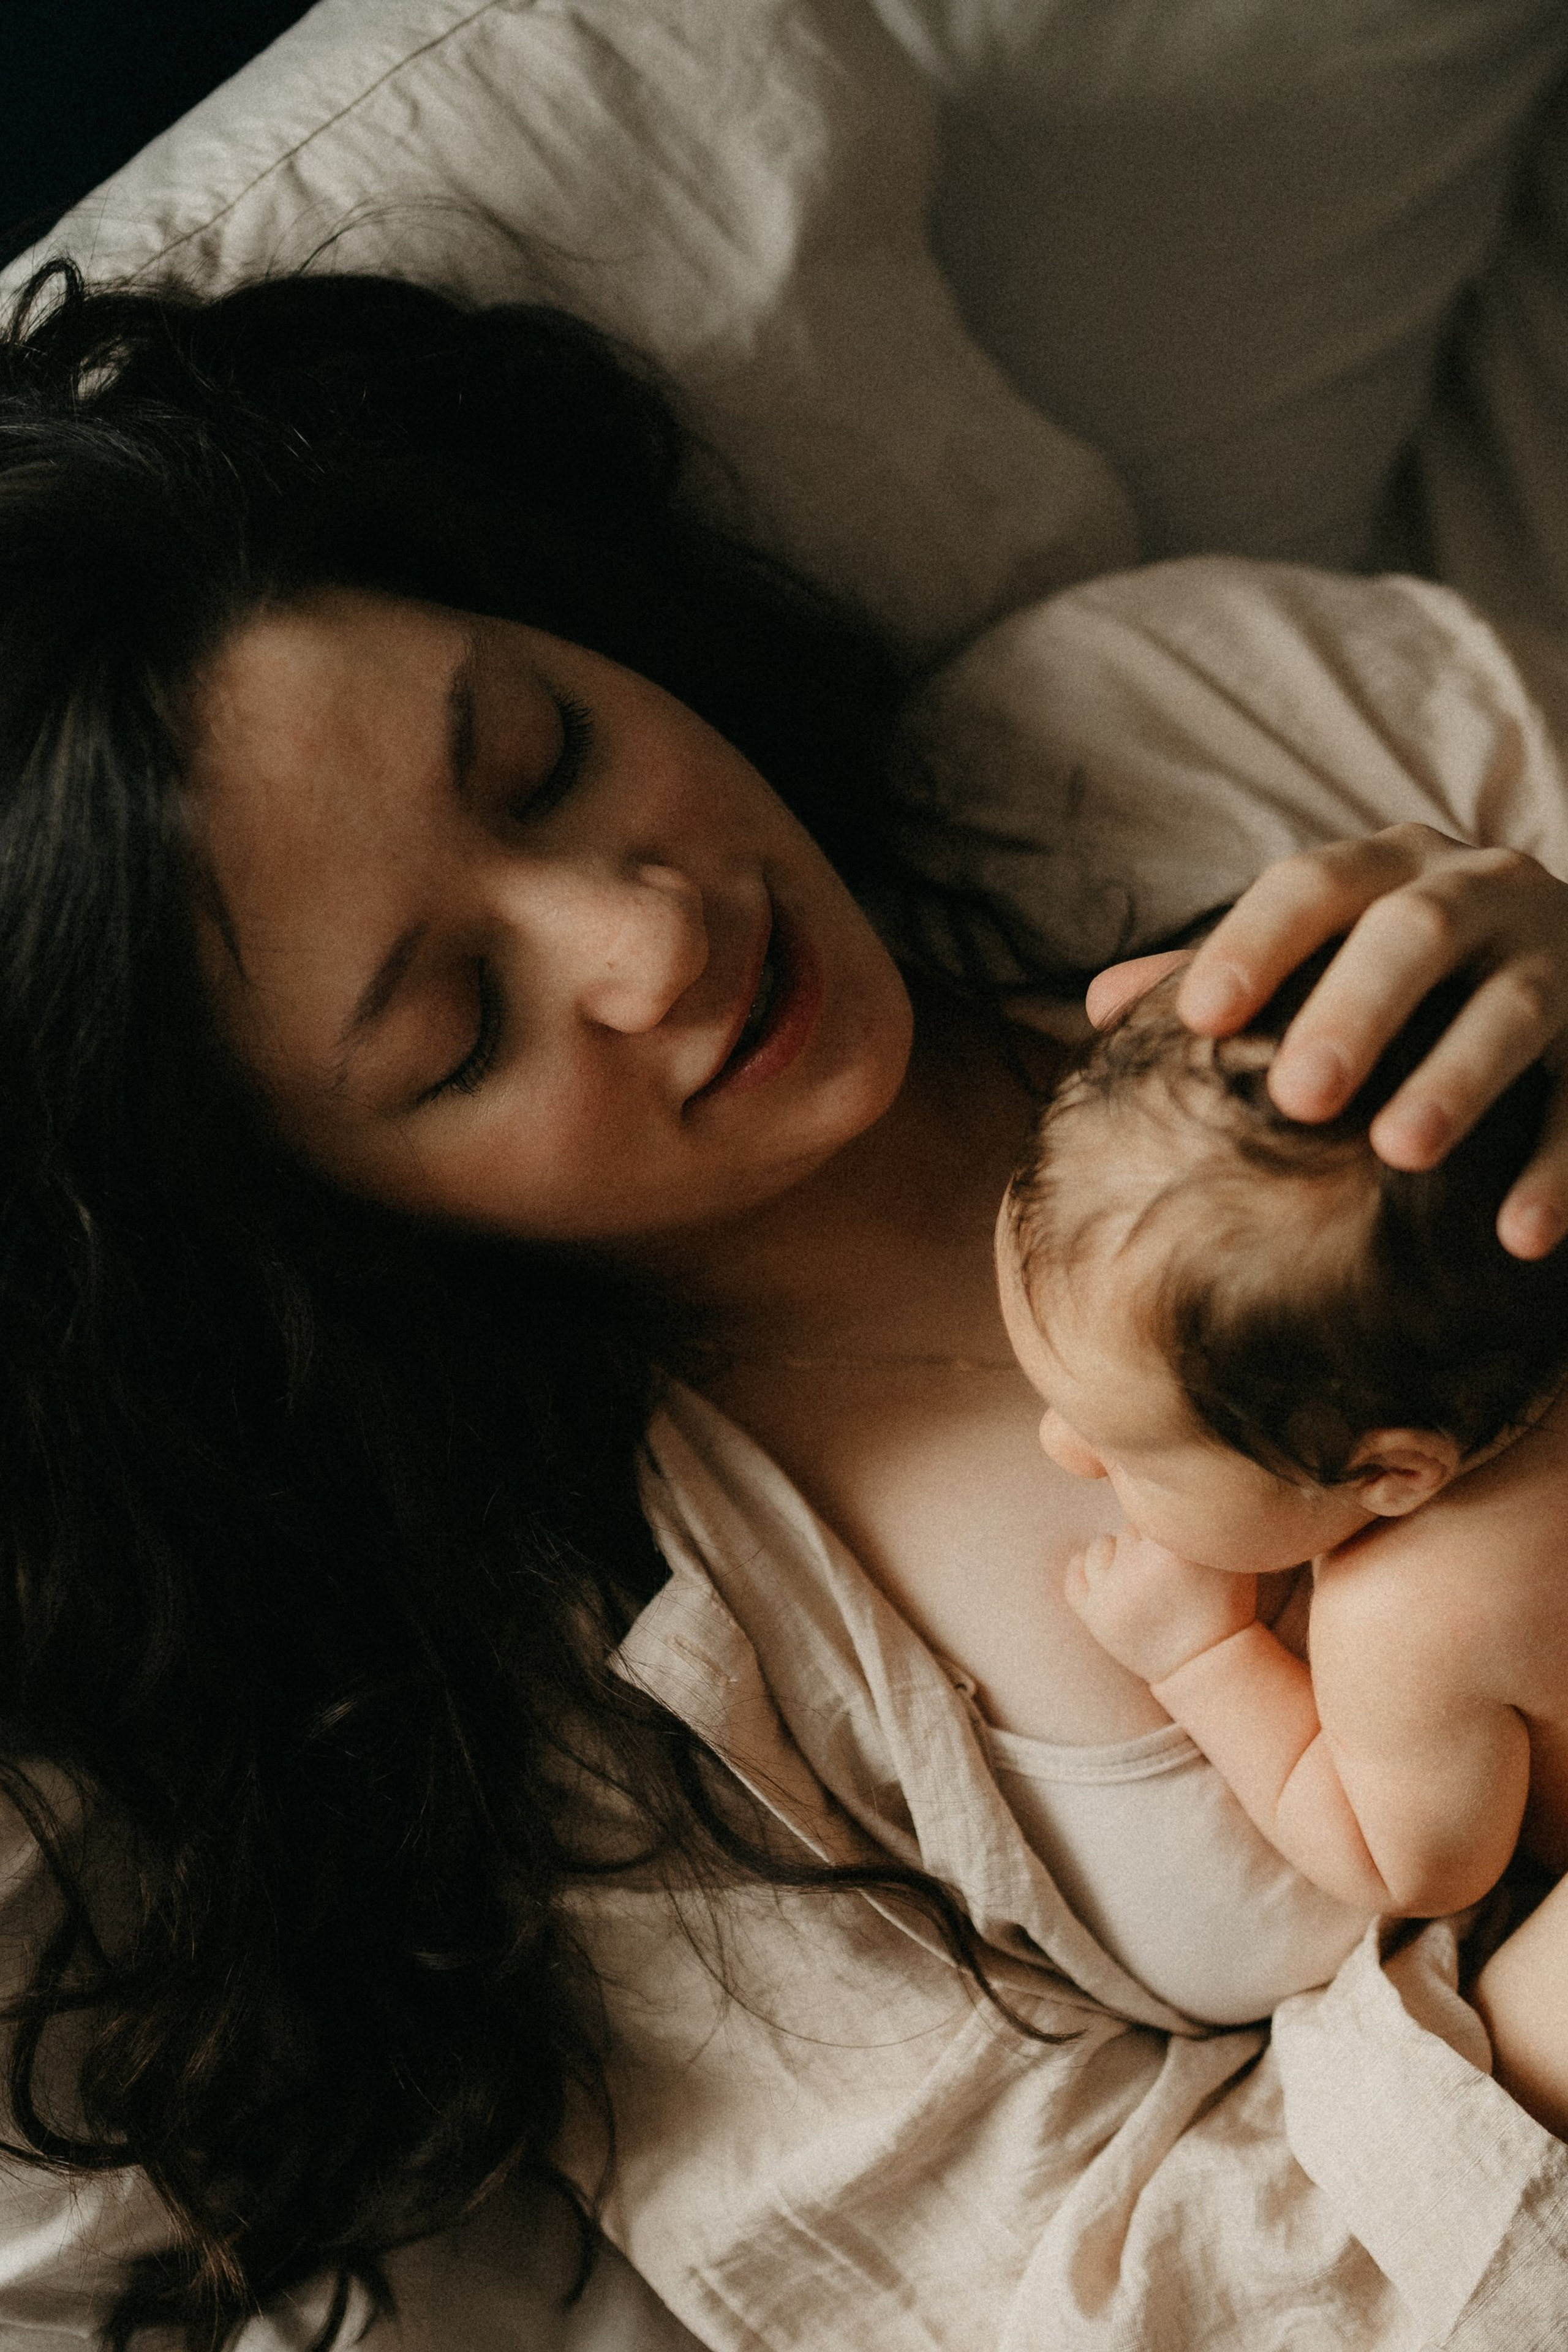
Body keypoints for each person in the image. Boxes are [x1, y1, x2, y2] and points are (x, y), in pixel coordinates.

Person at [8, 256, 1568, 2352]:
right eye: (461, 1032)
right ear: (320, 1213)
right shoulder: (610, 1747)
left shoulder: (1176, 731)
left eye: (542, 758)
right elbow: (1090, 2308)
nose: (650, 938)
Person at [997, 954, 1568, 1980]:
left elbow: (1411, 1867)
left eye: (1137, 1458)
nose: (1060, 1450)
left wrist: (1204, 1659)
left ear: (1392, 1474)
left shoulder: (1407, 1616)